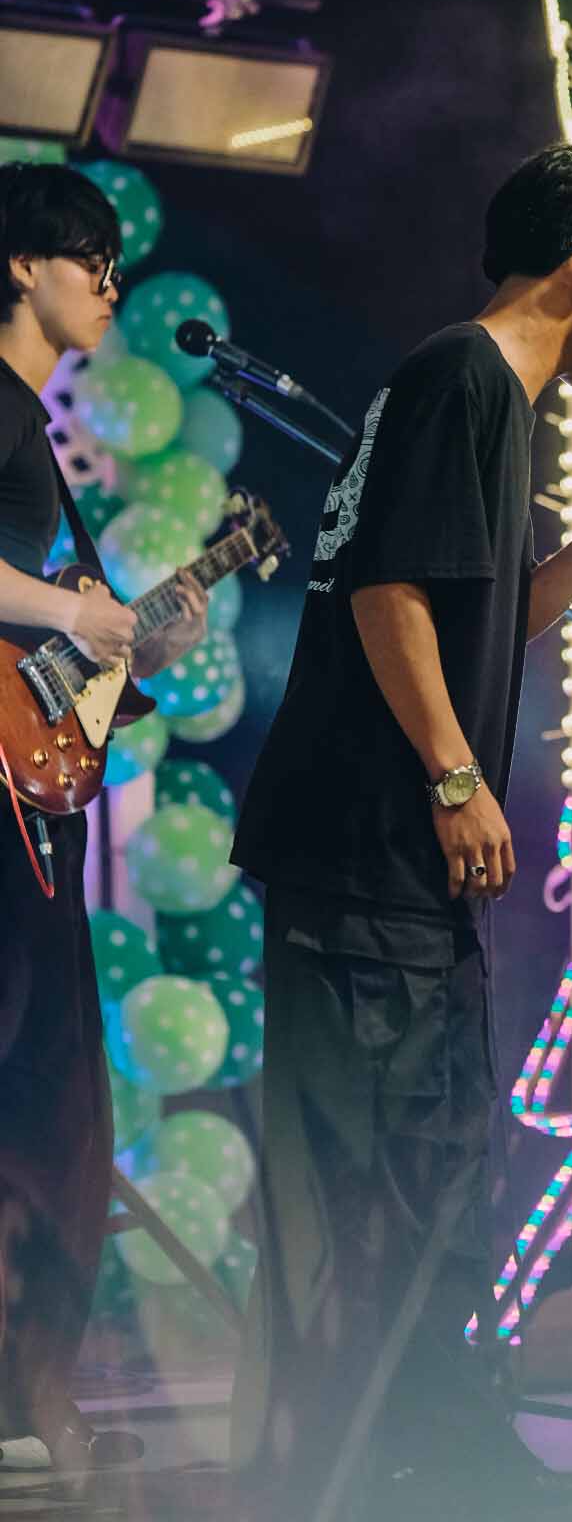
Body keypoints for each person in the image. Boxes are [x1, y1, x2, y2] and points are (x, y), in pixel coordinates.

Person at [229, 143, 572, 1517]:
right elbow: (387, 596)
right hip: (366, 855)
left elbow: (469, 620)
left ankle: (434, 1455)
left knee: (430, 1175)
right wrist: (451, 775)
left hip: (388, 871)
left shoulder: (481, 394)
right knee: (382, 1188)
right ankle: (384, 1470)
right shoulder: (466, 379)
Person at [0, 162, 207, 1474]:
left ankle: (32, 1391)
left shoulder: (28, 427)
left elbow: (42, 661)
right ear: (22, 265)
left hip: (34, 808)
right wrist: (77, 610)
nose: (112, 284)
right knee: (41, 1105)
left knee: (52, 1111)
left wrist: (131, 646)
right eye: (91, 259)